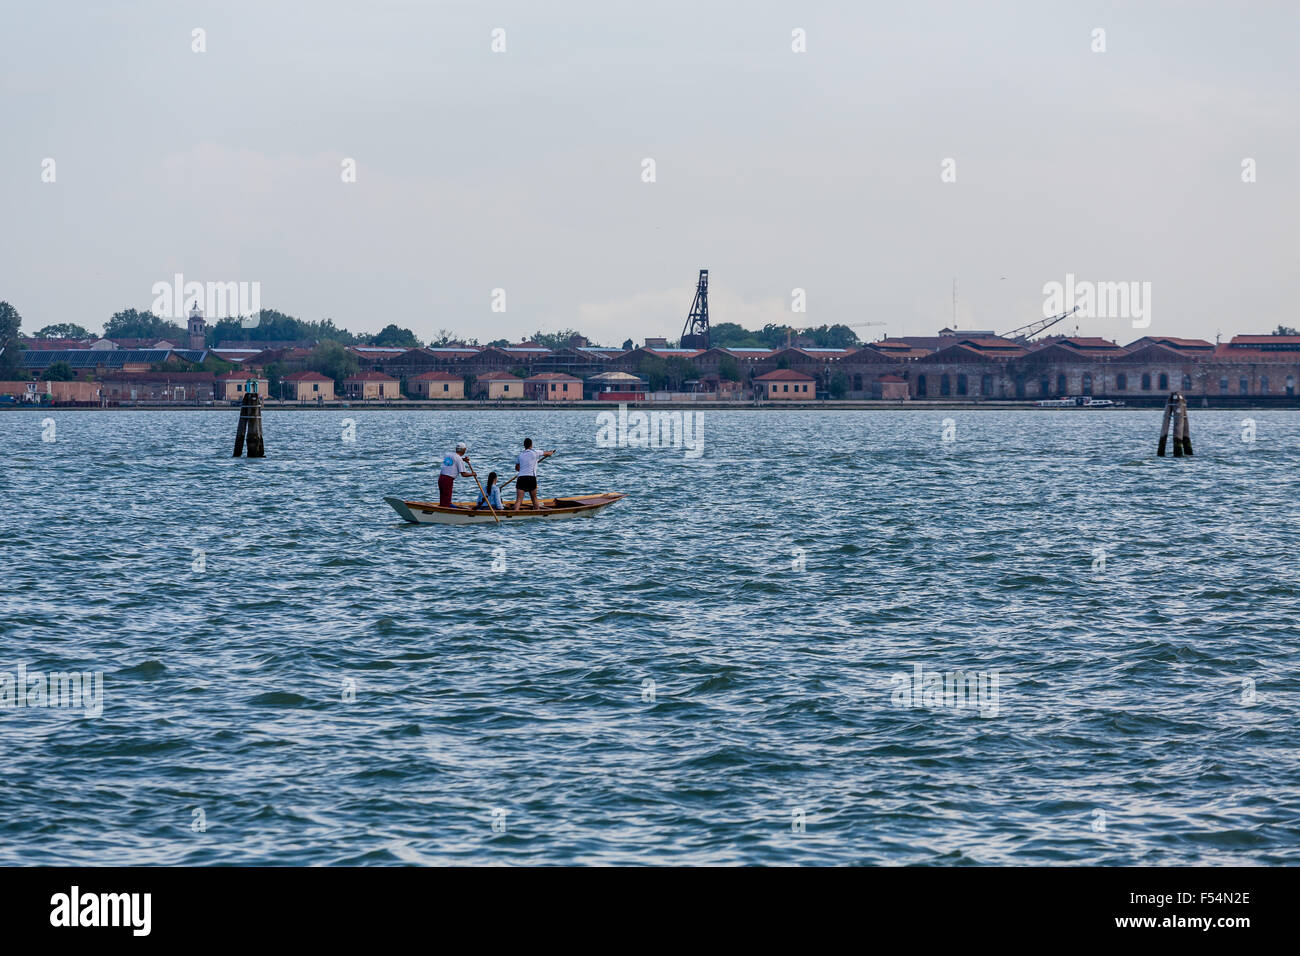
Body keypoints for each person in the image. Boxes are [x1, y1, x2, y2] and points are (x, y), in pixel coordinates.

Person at [512, 437, 555, 511]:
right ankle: (537, 511)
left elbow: (517, 468)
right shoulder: (536, 452)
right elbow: (548, 453)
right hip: (531, 478)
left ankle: (514, 514)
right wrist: (552, 452)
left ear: (524, 445)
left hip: (521, 478)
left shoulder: (520, 455)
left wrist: (523, 469)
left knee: (518, 500)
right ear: (531, 445)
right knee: (534, 498)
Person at [438, 441, 476, 507]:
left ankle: (443, 508)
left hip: (441, 478)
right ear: (463, 450)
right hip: (448, 480)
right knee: (447, 502)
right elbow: (463, 474)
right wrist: (472, 474)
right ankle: (447, 511)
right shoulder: (458, 459)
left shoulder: (449, 455)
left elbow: (455, 460)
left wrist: (463, 460)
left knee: (443, 500)